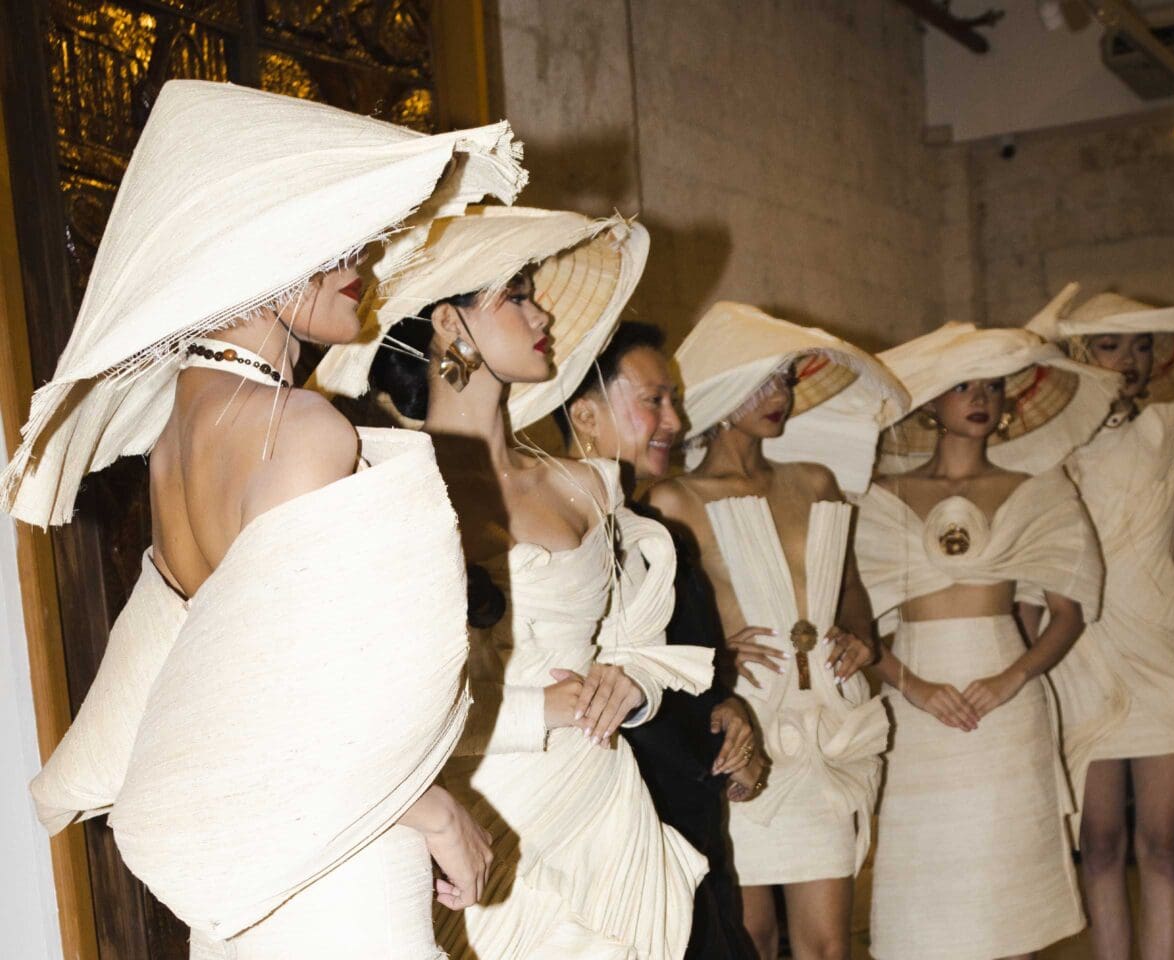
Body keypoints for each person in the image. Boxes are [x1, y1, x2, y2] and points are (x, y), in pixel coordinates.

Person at [5, 80, 527, 957]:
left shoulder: (174, 436)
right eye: (333, 238)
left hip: (251, 891)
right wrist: (433, 806)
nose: (360, 259)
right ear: (264, 253)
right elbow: (311, 700)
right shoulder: (300, 427)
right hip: (340, 867)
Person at [318, 205, 715, 959]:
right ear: (450, 324)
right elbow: (363, 710)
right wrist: (539, 709)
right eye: (518, 295)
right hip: (487, 812)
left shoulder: (589, 485)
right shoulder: (385, 489)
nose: (544, 313)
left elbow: (639, 647)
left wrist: (629, 686)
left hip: (604, 805)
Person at [647, 303, 904, 960]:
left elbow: (848, 587)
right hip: (741, 722)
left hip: (826, 724)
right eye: (764, 381)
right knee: (749, 937)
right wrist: (709, 652)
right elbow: (648, 618)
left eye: (787, 379)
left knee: (828, 945)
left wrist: (861, 639)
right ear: (725, 391)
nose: (781, 395)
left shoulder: (814, 482)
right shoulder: (677, 501)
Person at [858, 321, 1115, 960]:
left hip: (1006, 707)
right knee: (928, 900)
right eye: (964, 386)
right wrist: (910, 685)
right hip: (915, 709)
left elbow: (1069, 613)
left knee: (1007, 899)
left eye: (995, 387)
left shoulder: (1040, 491)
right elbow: (850, 621)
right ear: (931, 402)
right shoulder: (878, 497)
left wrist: (1011, 678)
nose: (982, 399)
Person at [1028, 285, 1174, 960]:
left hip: (1168, 651)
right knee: (1102, 845)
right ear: (1082, 353)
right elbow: (1032, 565)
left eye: (1142, 344)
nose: (1130, 359)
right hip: (1078, 652)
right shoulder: (1049, 447)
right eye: (1111, 344)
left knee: (1164, 845)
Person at [552, 320, 763, 958]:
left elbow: (698, 678)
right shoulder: (554, 541)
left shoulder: (665, 538)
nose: (675, 420)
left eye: (675, 400)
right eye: (654, 401)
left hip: (696, 833)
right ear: (586, 414)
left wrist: (734, 716)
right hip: (613, 835)